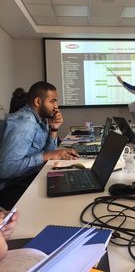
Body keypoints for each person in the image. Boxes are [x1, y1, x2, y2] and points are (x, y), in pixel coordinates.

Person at [0, 81, 79, 209]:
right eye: (52, 101)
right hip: (11, 187)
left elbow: (50, 153)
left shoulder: (41, 119)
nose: (56, 106)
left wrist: (54, 129)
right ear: (38, 102)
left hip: (28, 176)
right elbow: (5, 170)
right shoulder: (24, 123)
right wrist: (46, 156)